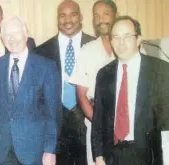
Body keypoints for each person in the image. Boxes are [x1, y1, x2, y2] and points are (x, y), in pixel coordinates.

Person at [92, 15, 169, 165]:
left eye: (127, 36)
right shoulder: (104, 74)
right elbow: (98, 121)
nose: (121, 43)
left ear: (138, 39)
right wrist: (99, 156)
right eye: (116, 37)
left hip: (148, 156)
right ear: (111, 41)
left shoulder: (160, 70)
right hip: (112, 155)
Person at [0, 16, 61, 165]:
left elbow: (53, 113)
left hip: (36, 150)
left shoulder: (46, 67)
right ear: (2, 38)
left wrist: (50, 149)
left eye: (16, 33)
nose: (12, 38)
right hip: (4, 149)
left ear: (26, 34)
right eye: (7, 35)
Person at [35, 1, 95, 165]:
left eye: (73, 14)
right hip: (55, 126)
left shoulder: (96, 46)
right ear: (57, 19)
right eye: (62, 15)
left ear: (81, 17)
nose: (68, 20)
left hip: (88, 123)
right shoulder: (41, 51)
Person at [68, 1, 117, 164]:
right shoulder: (86, 51)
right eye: (96, 15)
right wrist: (101, 126)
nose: (100, 19)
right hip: (97, 127)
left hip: (129, 130)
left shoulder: (130, 48)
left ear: (115, 15)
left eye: (105, 13)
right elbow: (82, 97)